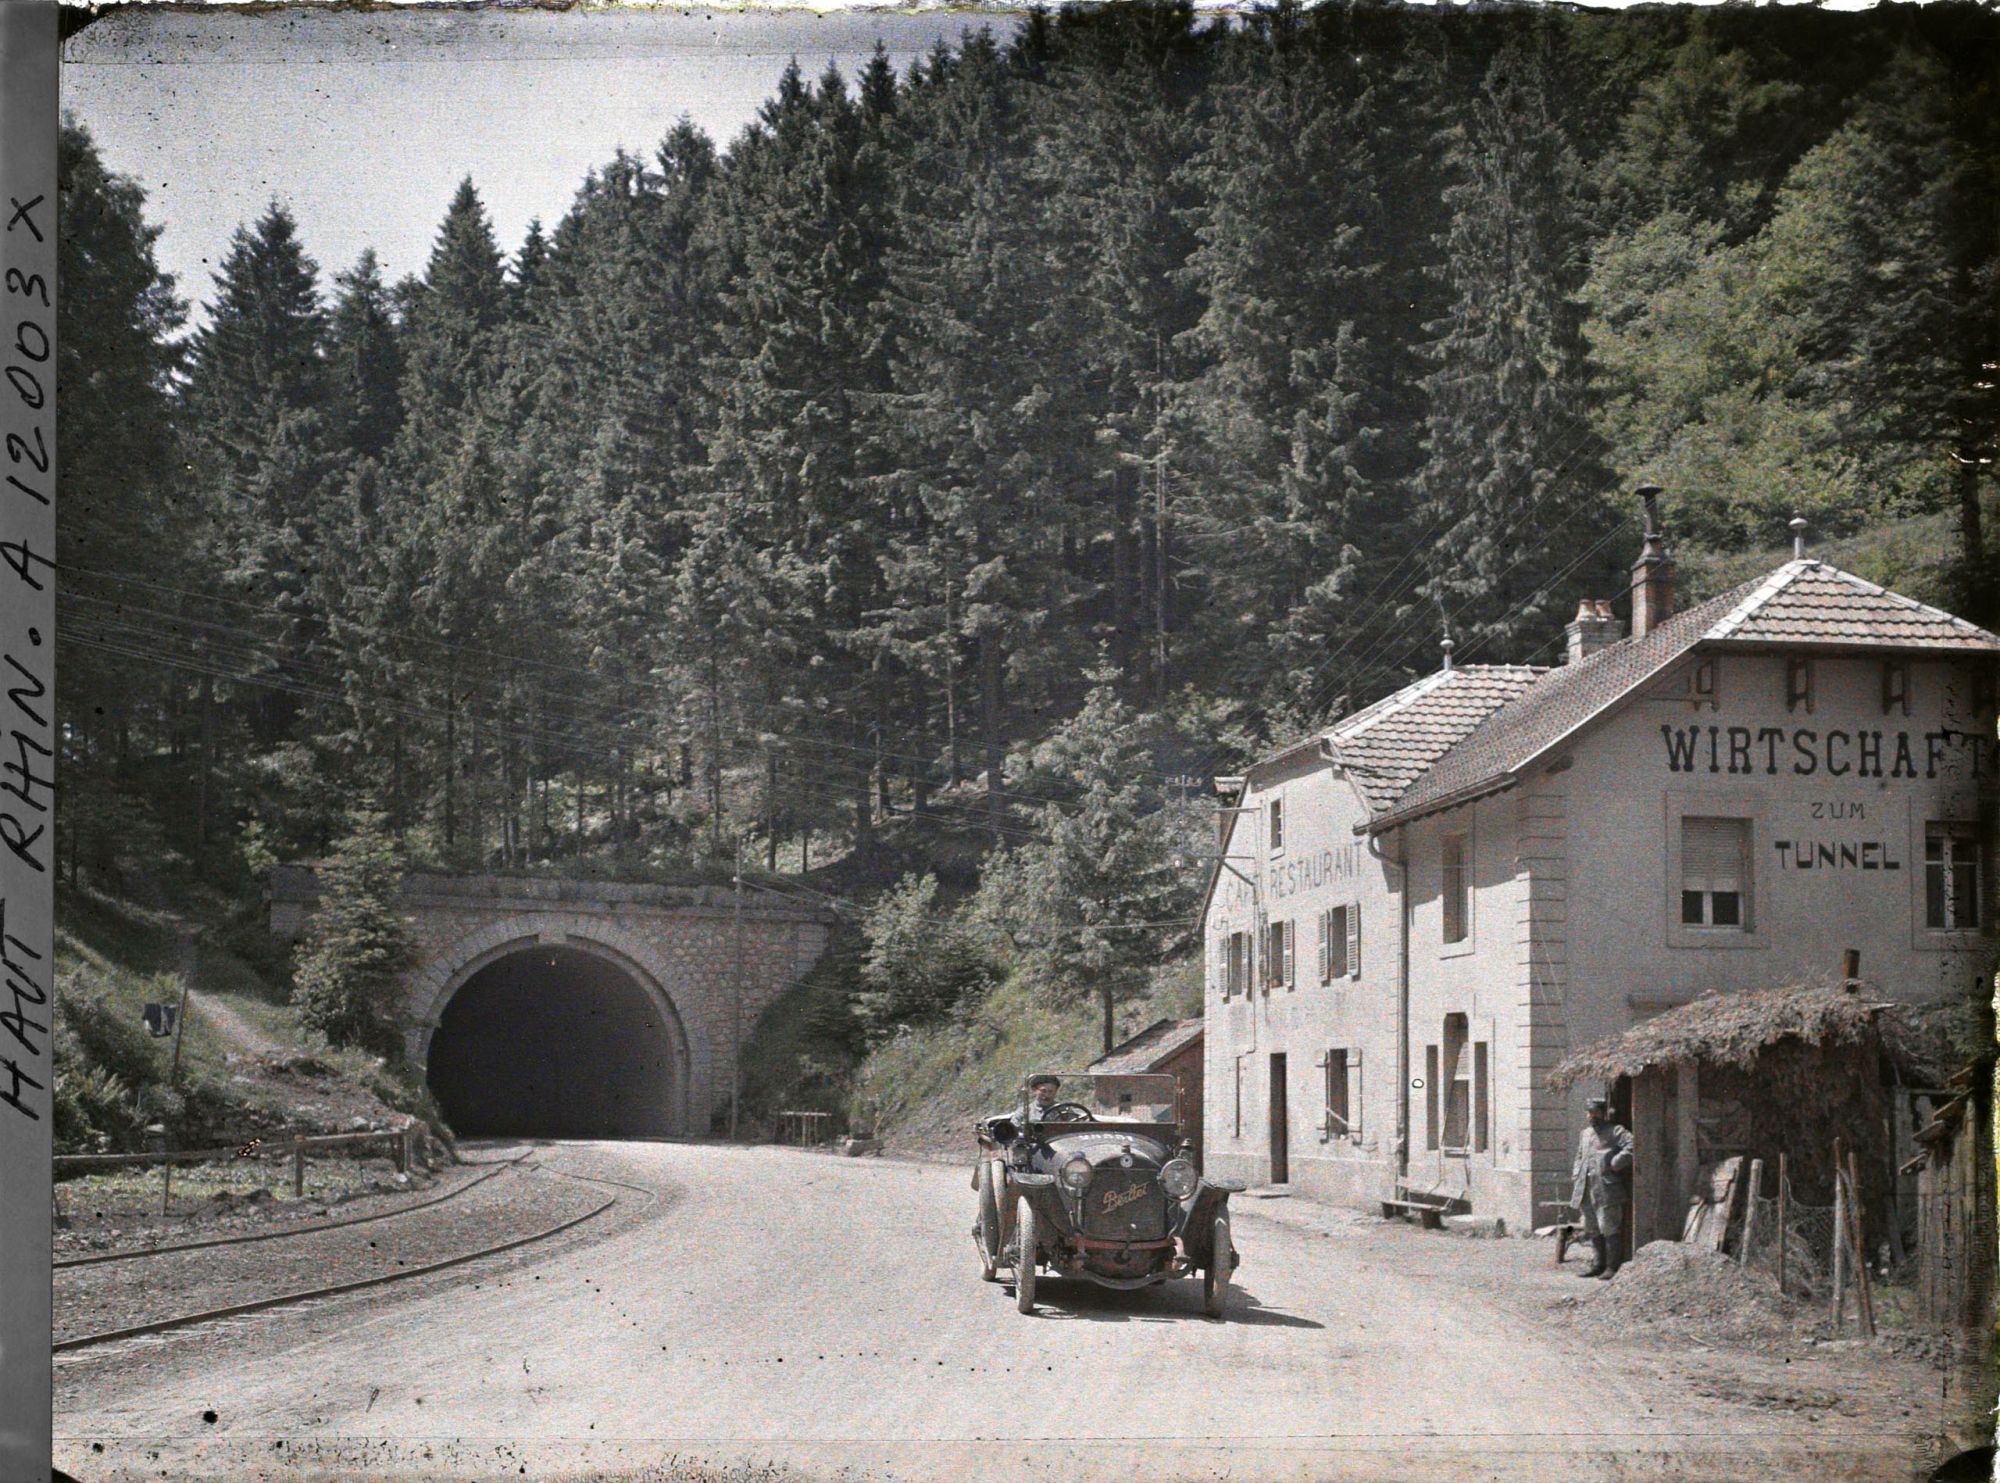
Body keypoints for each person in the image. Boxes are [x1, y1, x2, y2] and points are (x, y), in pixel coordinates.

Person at [1572, 1096, 1635, 1279]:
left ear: (1604, 1113)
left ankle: (1612, 1267)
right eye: (1589, 1112)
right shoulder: (1585, 1134)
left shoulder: (1616, 1131)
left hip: (1607, 1188)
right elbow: (1579, 1155)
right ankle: (1598, 1264)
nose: (1592, 1116)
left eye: (1596, 1112)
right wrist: (1576, 1173)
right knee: (1592, 1228)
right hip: (1586, 1188)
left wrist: (1616, 1162)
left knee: (1609, 1227)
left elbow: (1632, 1145)